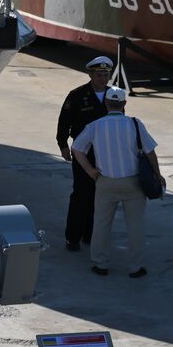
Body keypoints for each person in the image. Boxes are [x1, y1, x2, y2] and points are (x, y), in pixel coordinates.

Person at [71, 86, 163, 276]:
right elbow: (150, 151)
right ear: (124, 104)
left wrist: (90, 170)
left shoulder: (95, 126)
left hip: (106, 182)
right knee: (136, 226)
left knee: (101, 224)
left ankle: (100, 264)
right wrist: (157, 173)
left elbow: (77, 148)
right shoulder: (135, 124)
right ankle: (135, 267)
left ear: (106, 103)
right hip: (133, 183)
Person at [57, 55, 113, 252]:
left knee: (99, 195)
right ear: (91, 75)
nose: (103, 79)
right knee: (81, 194)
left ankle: (90, 234)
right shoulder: (77, 95)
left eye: (106, 75)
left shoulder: (114, 95)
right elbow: (64, 121)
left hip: (105, 153)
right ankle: (73, 236)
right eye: (99, 75)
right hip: (83, 153)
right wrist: (62, 144)